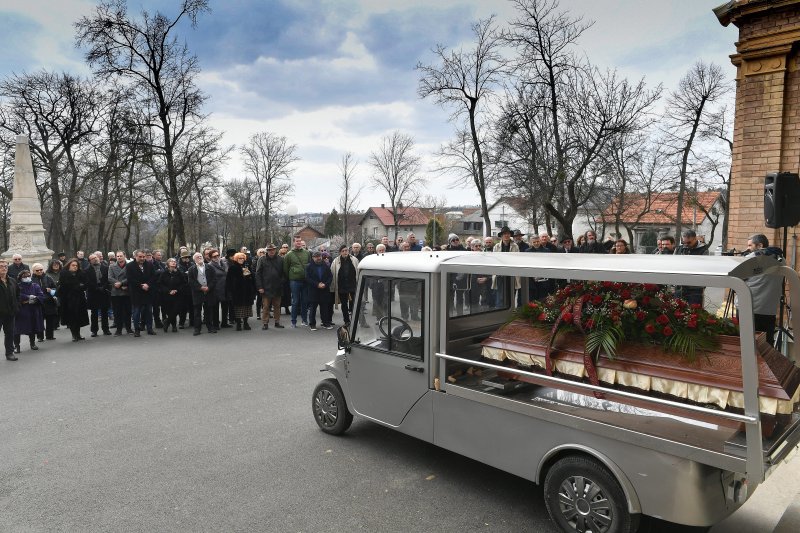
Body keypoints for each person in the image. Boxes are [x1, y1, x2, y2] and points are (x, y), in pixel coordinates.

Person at [740, 234, 784, 346]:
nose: (747, 249)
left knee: (747, 343)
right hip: (769, 309)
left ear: (759, 245)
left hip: (749, 306)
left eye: (750, 245)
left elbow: (738, 278)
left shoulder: (753, 257)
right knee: (766, 344)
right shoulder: (781, 258)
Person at [126, 249, 157, 337]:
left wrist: (148, 285)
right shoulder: (129, 266)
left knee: (149, 312)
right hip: (136, 293)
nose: (142, 258)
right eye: (140, 257)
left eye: (144, 257)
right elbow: (130, 279)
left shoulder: (150, 264)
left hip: (148, 292)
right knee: (136, 312)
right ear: (135, 256)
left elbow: (153, 277)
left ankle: (150, 329)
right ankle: (137, 330)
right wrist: (141, 285)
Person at [674, 229, 709, 306]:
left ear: (695, 238)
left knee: (694, 310)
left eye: (689, 242)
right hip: (680, 286)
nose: (686, 245)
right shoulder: (680, 249)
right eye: (684, 242)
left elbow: (703, 267)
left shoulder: (703, 250)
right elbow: (673, 264)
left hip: (695, 287)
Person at [58, 259, 89, 342]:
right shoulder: (64, 273)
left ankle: (78, 334)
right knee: (71, 317)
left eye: (76, 265)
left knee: (79, 316)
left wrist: (78, 286)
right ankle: (74, 335)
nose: (75, 267)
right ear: (69, 265)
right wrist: (78, 285)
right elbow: (65, 285)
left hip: (79, 298)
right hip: (68, 299)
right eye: (73, 265)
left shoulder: (81, 273)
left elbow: (85, 284)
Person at [255, 243, 285, 330]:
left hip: (277, 287)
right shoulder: (262, 259)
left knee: (277, 306)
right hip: (265, 287)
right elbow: (258, 274)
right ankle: (265, 323)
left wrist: (281, 281)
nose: (271, 251)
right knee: (266, 306)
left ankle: (277, 322)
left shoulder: (280, 259)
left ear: (275, 250)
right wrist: (260, 287)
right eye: (269, 250)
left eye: (273, 249)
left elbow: (284, 273)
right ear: (267, 251)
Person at [14, 270, 45, 353]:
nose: (27, 278)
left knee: (32, 327)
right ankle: (16, 346)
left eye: (28, 276)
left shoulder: (35, 285)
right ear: (20, 278)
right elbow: (17, 296)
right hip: (21, 311)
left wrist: (29, 300)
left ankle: (32, 343)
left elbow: (41, 296)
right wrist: (28, 296)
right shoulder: (17, 286)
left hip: (33, 310)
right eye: (24, 277)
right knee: (17, 330)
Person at [187, 252, 217, 335]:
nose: (199, 257)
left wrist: (209, 287)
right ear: (194, 260)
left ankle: (210, 327)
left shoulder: (210, 267)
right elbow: (191, 281)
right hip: (197, 293)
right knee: (197, 312)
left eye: (200, 256)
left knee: (208, 311)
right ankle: (197, 329)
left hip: (209, 292)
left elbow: (214, 279)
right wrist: (200, 287)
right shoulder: (191, 269)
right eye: (197, 257)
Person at [284, 237, 311, 328]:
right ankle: (293, 321)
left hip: (305, 281)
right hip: (294, 281)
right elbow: (285, 268)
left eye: (300, 241)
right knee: (295, 301)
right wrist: (290, 278)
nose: (299, 242)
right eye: (297, 241)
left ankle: (304, 320)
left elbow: (310, 265)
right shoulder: (289, 254)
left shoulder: (307, 253)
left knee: (305, 301)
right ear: (293, 242)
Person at [226, 252, 256, 331]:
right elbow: (228, 280)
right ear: (236, 259)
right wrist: (230, 290)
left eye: (243, 258)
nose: (241, 260)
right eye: (240, 258)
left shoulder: (247, 266)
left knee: (247, 308)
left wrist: (249, 276)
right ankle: (238, 323)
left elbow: (251, 278)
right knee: (238, 308)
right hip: (237, 291)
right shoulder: (232, 267)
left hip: (247, 291)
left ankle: (246, 323)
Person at [330, 245, 359, 327]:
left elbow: (358, 271)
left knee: (354, 303)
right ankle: (346, 320)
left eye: (346, 250)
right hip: (342, 286)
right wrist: (333, 287)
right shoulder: (336, 261)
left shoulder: (354, 260)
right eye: (343, 251)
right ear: (340, 252)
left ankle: (354, 319)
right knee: (344, 304)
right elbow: (332, 273)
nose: (345, 252)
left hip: (352, 285)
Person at [85, 253, 112, 337]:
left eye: (95, 257)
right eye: (92, 258)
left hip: (104, 292)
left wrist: (103, 287)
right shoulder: (87, 270)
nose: (95, 259)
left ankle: (106, 329)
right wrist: (96, 288)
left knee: (104, 311)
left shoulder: (105, 268)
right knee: (94, 313)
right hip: (93, 292)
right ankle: (94, 330)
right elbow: (87, 282)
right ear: (90, 261)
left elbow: (108, 279)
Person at [157, 258, 187, 333]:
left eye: (174, 262)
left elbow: (183, 283)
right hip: (167, 295)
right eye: (171, 261)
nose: (173, 263)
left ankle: (167, 321)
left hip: (178, 295)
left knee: (176, 310)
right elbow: (160, 284)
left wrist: (177, 290)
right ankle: (174, 326)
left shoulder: (179, 273)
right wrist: (168, 291)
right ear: (168, 264)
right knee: (170, 311)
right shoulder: (164, 273)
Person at [306, 251, 333, 331]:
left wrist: (325, 284)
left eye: (319, 256)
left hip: (324, 290)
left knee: (324, 308)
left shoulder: (326, 265)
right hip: (313, 290)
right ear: (313, 258)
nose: (318, 258)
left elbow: (330, 277)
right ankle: (312, 324)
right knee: (313, 308)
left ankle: (325, 323)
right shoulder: (309, 266)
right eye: (316, 257)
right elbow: (307, 278)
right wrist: (317, 284)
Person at [31, 263, 58, 341]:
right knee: (39, 320)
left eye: (41, 270)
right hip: (38, 302)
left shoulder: (48, 277)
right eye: (37, 270)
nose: (40, 271)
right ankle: (40, 336)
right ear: (33, 271)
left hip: (49, 301)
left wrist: (51, 290)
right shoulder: (31, 279)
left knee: (50, 319)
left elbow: (55, 289)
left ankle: (50, 335)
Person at [0, 260, 20, 360]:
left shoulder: (12, 280)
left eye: (6, 266)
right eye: (1, 266)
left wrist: (17, 306)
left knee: (10, 334)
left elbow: (18, 294)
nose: (4, 268)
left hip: (10, 313)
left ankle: (9, 353)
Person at [109, 251, 132, 336]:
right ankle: (118, 330)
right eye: (117, 256)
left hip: (127, 291)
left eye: (121, 256)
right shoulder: (112, 266)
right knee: (117, 312)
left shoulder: (129, 266)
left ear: (124, 256)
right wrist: (118, 284)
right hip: (116, 292)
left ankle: (129, 328)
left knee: (128, 311)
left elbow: (130, 277)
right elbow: (110, 277)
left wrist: (122, 283)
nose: (119, 257)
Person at [207, 249, 231, 330]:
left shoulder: (224, 263)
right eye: (214, 256)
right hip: (216, 289)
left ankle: (224, 323)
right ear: (211, 258)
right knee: (215, 308)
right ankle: (216, 324)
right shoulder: (209, 266)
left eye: (218, 255)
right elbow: (209, 279)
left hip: (226, 288)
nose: (217, 257)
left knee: (225, 306)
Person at [176, 249, 194, 329]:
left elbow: (193, 274)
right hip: (183, 289)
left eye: (188, 257)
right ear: (181, 258)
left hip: (191, 288)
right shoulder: (179, 265)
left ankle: (192, 321)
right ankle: (181, 322)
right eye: (185, 257)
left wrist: (187, 273)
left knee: (192, 306)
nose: (186, 259)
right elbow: (181, 275)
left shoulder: (192, 264)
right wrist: (187, 274)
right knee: (183, 307)